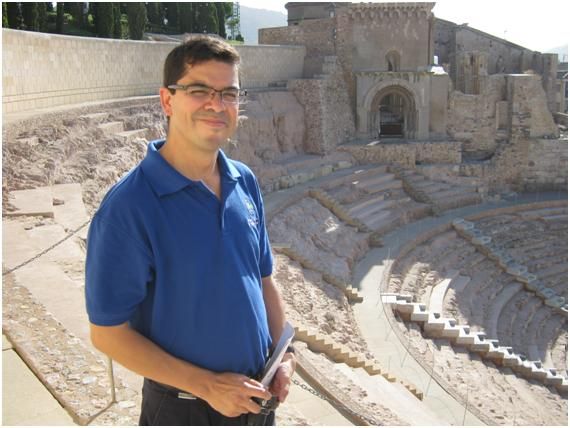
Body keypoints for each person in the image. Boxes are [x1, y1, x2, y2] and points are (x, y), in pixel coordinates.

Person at [85, 35, 296, 426]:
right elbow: (107, 334)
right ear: (167, 100)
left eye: (229, 94)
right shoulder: (129, 207)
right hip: (183, 409)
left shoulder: (243, 180)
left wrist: (283, 356)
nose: (217, 105)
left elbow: (263, 280)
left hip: (255, 400)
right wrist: (207, 385)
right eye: (200, 90)